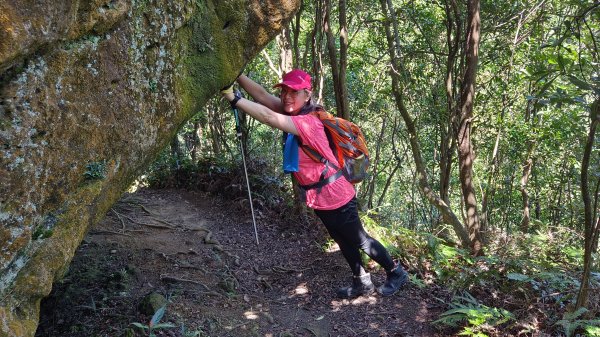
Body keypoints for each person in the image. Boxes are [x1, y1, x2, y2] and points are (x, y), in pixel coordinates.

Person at [221, 69, 408, 298]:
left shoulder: (308, 122)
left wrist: (234, 98)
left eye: (294, 92)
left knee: (361, 240)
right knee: (341, 238)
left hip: (336, 194)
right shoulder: (293, 112)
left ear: (307, 95)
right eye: (285, 91)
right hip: (319, 196)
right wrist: (237, 74)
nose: (287, 97)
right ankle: (361, 280)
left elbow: (268, 117)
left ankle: (396, 272)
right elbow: (261, 96)